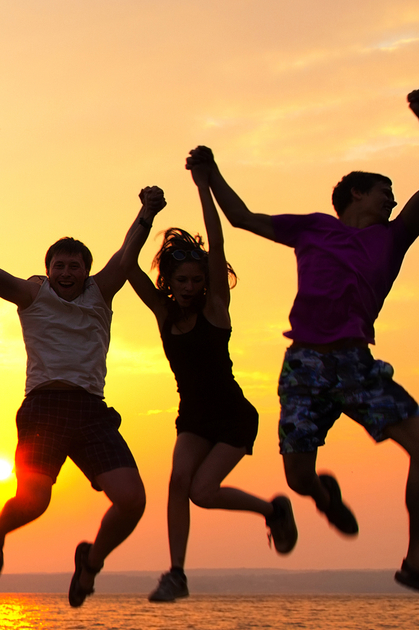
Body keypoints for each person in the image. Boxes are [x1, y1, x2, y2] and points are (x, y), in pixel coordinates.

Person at [199, 87, 419, 597]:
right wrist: (211, 174)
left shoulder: (393, 236)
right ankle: (322, 495)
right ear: (355, 194)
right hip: (305, 367)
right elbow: (242, 218)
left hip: (358, 365)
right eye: (385, 191)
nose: (393, 199)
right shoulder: (313, 228)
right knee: (297, 479)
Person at [0, 188, 161, 608]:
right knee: (34, 501)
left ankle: (90, 561)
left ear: (88, 271)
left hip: (91, 409)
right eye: (60, 265)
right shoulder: (35, 295)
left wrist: (146, 211)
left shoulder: (101, 292)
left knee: (132, 500)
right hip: (44, 408)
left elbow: (128, 253)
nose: (67, 271)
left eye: (75, 265)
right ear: (48, 270)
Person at [126, 158, 298, 603]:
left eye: (195, 279)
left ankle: (272, 509)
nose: (187, 286)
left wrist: (203, 185)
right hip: (194, 415)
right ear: (168, 280)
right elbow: (127, 267)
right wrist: (146, 214)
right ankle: (177, 574)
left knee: (203, 492)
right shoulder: (164, 314)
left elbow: (217, 241)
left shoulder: (215, 308)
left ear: (206, 281)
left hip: (232, 416)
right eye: (180, 279)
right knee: (178, 483)